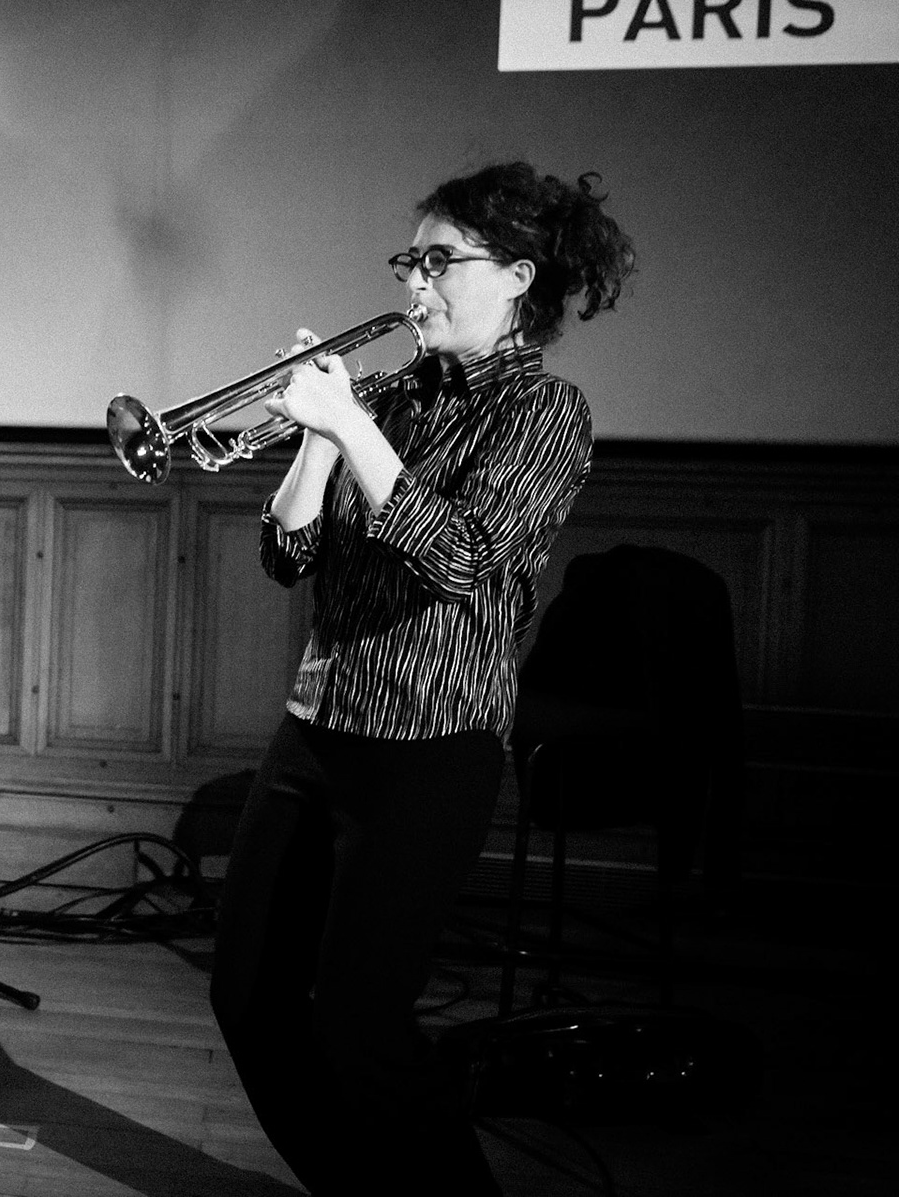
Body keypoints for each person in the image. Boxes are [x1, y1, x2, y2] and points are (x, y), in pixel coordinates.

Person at [208, 163, 635, 1194]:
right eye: (414, 260)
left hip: (429, 751)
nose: (417, 285)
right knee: (247, 998)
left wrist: (351, 427)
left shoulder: (545, 411)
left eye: (443, 261)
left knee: (358, 1024)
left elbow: (459, 558)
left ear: (519, 275)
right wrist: (317, 436)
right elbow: (287, 559)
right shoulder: (390, 395)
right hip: (317, 727)